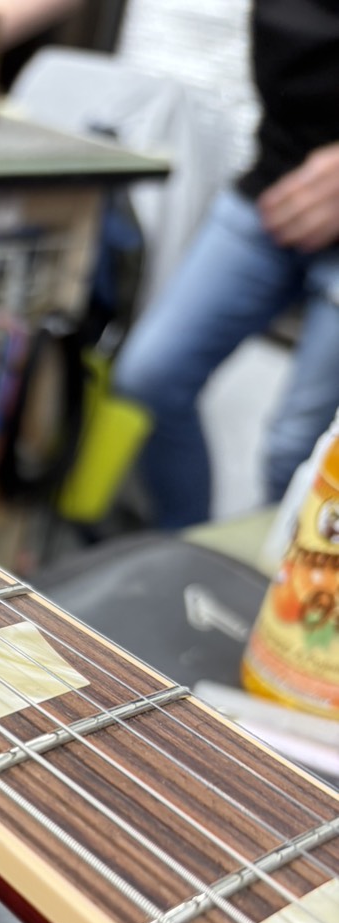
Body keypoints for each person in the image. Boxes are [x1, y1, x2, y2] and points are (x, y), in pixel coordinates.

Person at [112, 0, 339, 529]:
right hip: (276, 177)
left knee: (295, 449)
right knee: (150, 378)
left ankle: (272, 576)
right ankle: (188, 549)